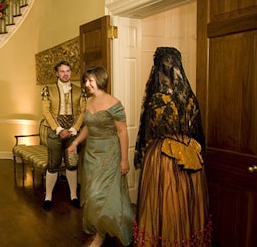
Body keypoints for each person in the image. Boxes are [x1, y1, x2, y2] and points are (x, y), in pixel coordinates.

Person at [133, 47, 212, 246]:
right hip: (190, 153)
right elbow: (196, 130)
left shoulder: (157, 99)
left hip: (164, 157)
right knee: (187, 203)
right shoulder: (190, 98)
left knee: (166, 203)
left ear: (160, 71)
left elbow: (149, 131)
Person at [67, 66, 134, 247]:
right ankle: (102, 228)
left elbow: (122, 131)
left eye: (90, 80)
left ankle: (100, 236)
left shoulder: (114, 103)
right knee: (92, 193)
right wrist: (75, 143)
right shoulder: (88, 102)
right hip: (91, 154)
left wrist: (124, 159)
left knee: (101, 194)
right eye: (85, 81)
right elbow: (88, 127)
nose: (87, 84)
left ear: (101, 80)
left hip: (110, 153)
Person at [41, 60, 87, 211]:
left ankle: (73, 195)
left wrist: (74, 129)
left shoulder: (80, 90)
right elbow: (46, 111)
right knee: (53, 164)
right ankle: (48, 196)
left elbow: (83, 111)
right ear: (56, 73)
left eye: (68, 71)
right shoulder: (48, 89)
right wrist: (59, 129)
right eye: (62, 71)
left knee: (72, 164)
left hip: (73, 133)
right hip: (54, 132)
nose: (65, 74)